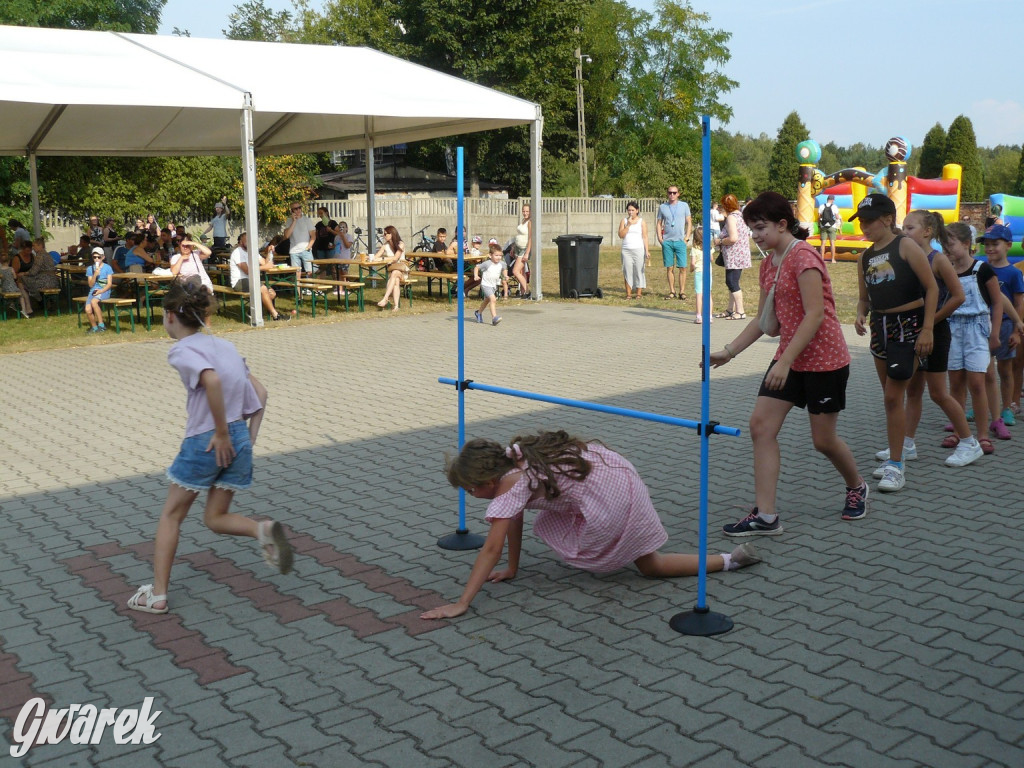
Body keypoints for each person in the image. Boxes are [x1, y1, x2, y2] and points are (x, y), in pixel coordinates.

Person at [419, 430, 762, 621]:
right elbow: (513, 521)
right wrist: (512, 567)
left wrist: (462, 602)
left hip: (607, 499)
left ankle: (727, 561)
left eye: (468, 489)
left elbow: (490, 547)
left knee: (646, 565)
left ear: (485, 481)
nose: (468, 494)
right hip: (616, 475)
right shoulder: (515, 463)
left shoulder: (510, 486)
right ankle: (730, 559)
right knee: (650, 564)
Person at [127, 277, 292, 615]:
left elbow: (211, 380)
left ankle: (157, 594)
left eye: (162, 316)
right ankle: (262, 529)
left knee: (171, 516)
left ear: (172, 315)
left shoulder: (183, 350)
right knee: (215, 518)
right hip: (239, 439)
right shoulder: (225, 346)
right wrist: (247, 437)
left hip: (207, 441)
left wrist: (219, 432)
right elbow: (260, 394)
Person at [710, 192, 867, 534]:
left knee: (823, 441)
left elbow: (814, 316)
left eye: (761, 227)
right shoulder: (769, 264)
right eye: (751, 229)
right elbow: (763, 320)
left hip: (824, 361)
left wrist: (785, 362)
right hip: (790, 359)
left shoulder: (805, 258)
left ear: (783, 224)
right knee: (761, 427)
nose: (755, 235)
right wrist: (730, 350)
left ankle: (856, 486)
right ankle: (766, 516)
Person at [875, 210, 982, 469]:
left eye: (910, 228)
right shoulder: (906, 258)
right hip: (913, 331)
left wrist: (930, 323)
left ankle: (970, 442)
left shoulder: (938, 260)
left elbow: (958, 296)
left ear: (927, 232)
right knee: (913, 390)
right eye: (903, 227)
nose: (904, 232)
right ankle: (907, 443)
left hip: (934, 332)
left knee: (938, 392)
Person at [853, 194, 938, 493]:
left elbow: (931, 287)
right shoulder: (864, 256)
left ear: (888, 219)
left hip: (909, 325)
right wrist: (860, 313)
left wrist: (927, 329)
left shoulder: (905, 246)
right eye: (860, 221)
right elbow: (865, 296)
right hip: (881, 327)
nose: (863, 226)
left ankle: (897, 465)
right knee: (890, 399)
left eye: (868, 221)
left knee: (893, 397)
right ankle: (896, 455)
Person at [944, 222, 1003, 457]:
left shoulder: (983, 270)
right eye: (944, 245)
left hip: (978, 328)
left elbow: (998, 302)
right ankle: (960, 432)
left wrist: (995, 333)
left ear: (966, 244)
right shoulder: (945, 269)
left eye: (951, 245)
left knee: (977, 383)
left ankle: (982, 435)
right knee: (956, 383)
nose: (947, 250)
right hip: (952, 328)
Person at [977, 224, 1023, 434]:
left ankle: (1007, 409)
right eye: (986, 245)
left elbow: (1018, 304)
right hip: (980, 325)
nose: (990, 248)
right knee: (982, 371)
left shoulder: (1014, 274)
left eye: (995, 244)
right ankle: (983, 407)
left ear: (1008, 246)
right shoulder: (980, 269)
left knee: (1005, 370)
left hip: (1005, 326)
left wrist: (1016, 330)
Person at [230, 233, 288, 322]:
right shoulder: (237, 253)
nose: (250, 243)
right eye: (247, 241)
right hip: (239, 281)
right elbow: (247, 271)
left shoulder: (253, 252)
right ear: (241, 242)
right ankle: (276, 315)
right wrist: (265, 267)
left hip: (252, 280)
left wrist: (269, 252)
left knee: (272, 294)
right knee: (263, 289)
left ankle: (251, 312)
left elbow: (265, 263)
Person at [713, 194, 752, 319]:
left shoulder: (731, 218)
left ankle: (740, 311)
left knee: (732, 282)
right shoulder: (741, 216)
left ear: (725, 206)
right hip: (740, 254)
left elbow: (733, 238)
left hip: (734, 255)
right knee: (731, 282)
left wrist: (720, 241)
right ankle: (730, 309)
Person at [656, 185, 692, 299]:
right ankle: (672, 291)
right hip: (667, 241)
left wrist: (686, 237)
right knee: (669, 267)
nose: (672, 195)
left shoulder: (684, 205)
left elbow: (689, 222)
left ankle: (682, 292)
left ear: (678, 194)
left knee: (682, 267)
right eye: (670, 192)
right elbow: (659, 223)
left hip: (680, 241)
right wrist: (660, 238)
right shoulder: (662, 207)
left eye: (674, 192)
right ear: (667, 193)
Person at [618, 201, 650, 300]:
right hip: (626, 249)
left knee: (639, 271)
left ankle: (638, 294)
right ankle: (628, 294)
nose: (630, 212)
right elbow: (621, 235)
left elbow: (645, 236)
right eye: (629, 210)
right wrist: (628, 225)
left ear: (637, 210)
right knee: (627, 271)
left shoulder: (641, 221)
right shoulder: (624, 221)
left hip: (638, 249)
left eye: (633, 210)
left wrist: (647, 250)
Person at [473, 242, 508, 326]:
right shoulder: (487, 263)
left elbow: (504, 269)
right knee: (493, 299)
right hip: (485, 284)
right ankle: (494, 317)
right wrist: (475, 275)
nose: (498, 257)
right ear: (490, 255)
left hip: (493, 285)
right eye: (496, 255)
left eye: (500, 255)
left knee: (487, 300)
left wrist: (505, 275)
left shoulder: (501, 263)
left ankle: (478, 312)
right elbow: (477, 267)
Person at [375, 225, 409, 311]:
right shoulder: (385, 245)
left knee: (394, 274)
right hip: (393, 271)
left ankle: (386, 298)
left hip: (403, 271)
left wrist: (383, 258)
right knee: (395, 280)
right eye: (384, 234)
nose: (384, 235)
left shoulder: (401, 244)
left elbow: (395, 258)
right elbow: (376, 256)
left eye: (386, 234)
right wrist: (370, 257)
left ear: (392, 234)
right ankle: (396, 306)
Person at [84, 247, 113, 333]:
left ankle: (101, 325)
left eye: (99, 257)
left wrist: (101, 291)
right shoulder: (90, 269)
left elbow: (109, 284)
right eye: (94, 257)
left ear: (103, 257)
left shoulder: (107, 268)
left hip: (104, 290)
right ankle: (94, 327)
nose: (96, 259)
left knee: (94, 302)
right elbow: (90, 284)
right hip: (93, 290)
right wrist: (95, 275)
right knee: (88, 310)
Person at [283, 201, 316, 276]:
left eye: (299, 208)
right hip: (294, 251)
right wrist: (294, 221)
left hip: (306, 249)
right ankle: (298, 288)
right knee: (297, 273)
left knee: (309, 272)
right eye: (296, 209)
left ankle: (309, 287)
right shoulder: (289, 221)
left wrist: (308, 247)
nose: (298, 210)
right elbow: (287, 236)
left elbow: (313, 235)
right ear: (292, 211)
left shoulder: (306, 220)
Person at [690, 226, 712, 323]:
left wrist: (691, 269)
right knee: (708, 294)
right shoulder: (709, 248)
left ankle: (699, 316)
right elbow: (711, 259)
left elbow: (692, 263)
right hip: (708, 272)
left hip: (699, 272)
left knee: (699, 294)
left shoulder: (694, 249)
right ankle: (710, 316)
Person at [0, 250, 32, 318]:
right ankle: (23, 310)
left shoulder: (0, 270)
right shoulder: (11, 269)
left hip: (5, 289)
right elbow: (15, 277)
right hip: (14, 289)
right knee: (21, 296)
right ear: (9, 261)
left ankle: (11, 304)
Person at [512, 205, 532, 298]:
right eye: (524, 211)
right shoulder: (523, 221)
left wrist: (527, 252)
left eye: (527, 211)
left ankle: (527, 291)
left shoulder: (530, 222)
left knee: (515, 271)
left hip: (524, 249)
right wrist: (513, 247)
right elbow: (519, 235)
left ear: (531, 212)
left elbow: (531, 238)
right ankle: (522, 291)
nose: (525, 213)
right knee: (521, 271)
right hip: (518, 247)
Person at [817, 195, 841, 263]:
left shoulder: (822, 206)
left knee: (823, 243)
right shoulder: (834, 206)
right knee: (832, 243)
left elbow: (819, 217)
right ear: (832, 200)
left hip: (823, 226)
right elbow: (837, 216)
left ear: (827, 199)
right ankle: (833, 259)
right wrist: (838, 224)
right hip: (832, 226)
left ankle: (822, 259)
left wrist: (819, 225)